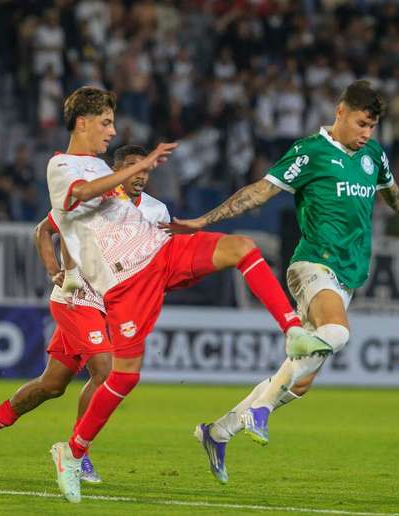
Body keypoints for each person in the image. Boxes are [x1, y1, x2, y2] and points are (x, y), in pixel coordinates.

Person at [165, 80, 399, 484]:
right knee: (338, 332)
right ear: (340, 112)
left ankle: (218, 431)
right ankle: (258, 411)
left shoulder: (372, 155)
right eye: (362, 123)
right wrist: (202, 221)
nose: (367, 133)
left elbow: (396, 196)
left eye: (372, 127)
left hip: (347, 276)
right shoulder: (310, 152)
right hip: (313, 264)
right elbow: (259, 192)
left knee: (302, 381)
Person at [46, 86, 327, 503]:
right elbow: (80, 197)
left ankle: (292, 330)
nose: (111, 130)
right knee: (124, 376)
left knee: (242, 247)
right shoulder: (63, 166)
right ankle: (72, 452)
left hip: (159, 251)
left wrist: (178, 225)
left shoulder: (102, 168)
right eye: (105, 122)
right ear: (82, 122)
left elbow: (123, 207)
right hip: (124, 281)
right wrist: (139, 164)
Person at [0, 144, 170, 483]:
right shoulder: (96, 198)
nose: (141, 174)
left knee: (52, 385)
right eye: (132, 167)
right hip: (76, 298)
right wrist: (54, 269)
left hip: (108, 304)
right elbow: (44, 230)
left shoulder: (157, 211)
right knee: (105, 370)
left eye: (145, 168)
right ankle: (78, 453)